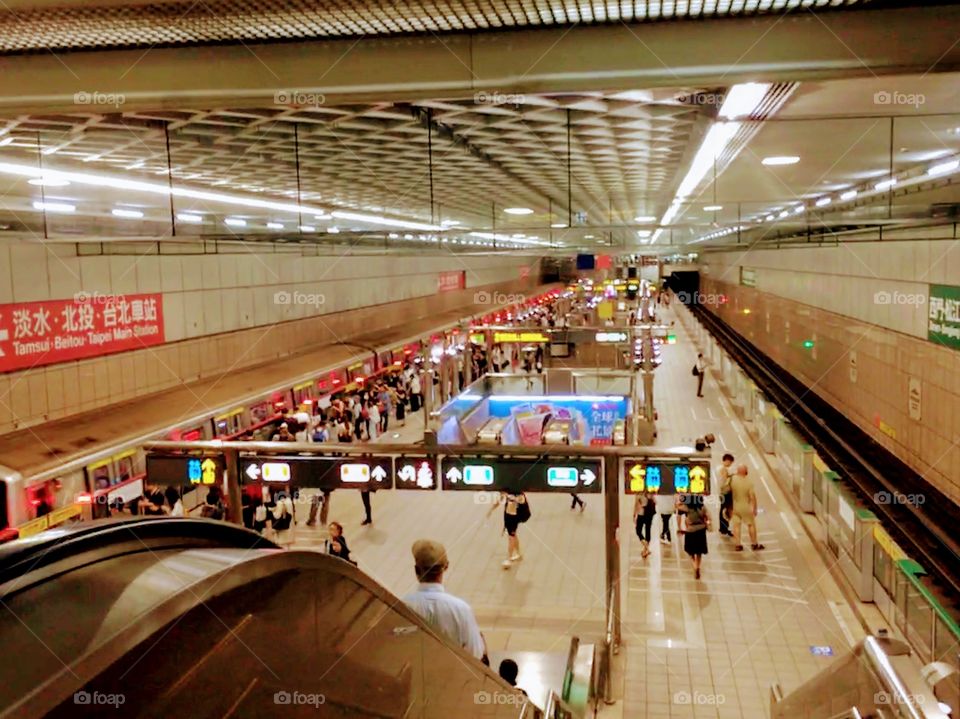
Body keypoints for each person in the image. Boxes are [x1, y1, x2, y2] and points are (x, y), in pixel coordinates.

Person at [403, 539, 486, 661]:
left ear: (416, 570)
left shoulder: (403, 605)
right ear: (446, 567)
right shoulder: (461, 609)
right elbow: (475, 654)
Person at [488, 489, 529, 569]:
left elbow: (521, 501)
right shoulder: (507, 491)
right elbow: (499, 500)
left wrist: (511, 498)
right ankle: (518, 554)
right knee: (513, 535)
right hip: (508, 516)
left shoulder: (519, 494)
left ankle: (509, 558)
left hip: (515, 517)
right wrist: (491, 509)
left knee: (511, 537)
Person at [730, 464, 765, 551]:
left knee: (736, 526)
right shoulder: (749, 482)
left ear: (737, 471)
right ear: (746, 472)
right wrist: (755, 508)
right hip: (745, 506)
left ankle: (738, 545)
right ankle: (754, 544)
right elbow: (752, 496)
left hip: (734, 506)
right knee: (751, 524)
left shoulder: (732, 479)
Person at [678, 494, 710, 579]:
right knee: (699, 552)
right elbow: (708, 517)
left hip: (691, 531)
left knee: (690, 552)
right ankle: (698, 566)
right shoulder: (702, 508)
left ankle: (695, 567)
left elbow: (677, 507)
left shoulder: (688, 508)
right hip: (701, 531)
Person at [633, 489, 657, 558]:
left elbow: (636, 505)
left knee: (638, 531)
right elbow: (655, 502)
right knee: (648, 531)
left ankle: (646, 548)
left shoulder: (639, 494)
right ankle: (645, 549)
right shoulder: (650, 493)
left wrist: (634, 514)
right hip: (649, 515)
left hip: (641, 514)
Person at [718, 453, 735, 537]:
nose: (731, 464)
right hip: (725, 493)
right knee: (726, 511)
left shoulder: (721, 468)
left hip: (722, 493)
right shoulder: (723, 469)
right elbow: (725, 481)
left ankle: (723, 528)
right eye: (730, 462)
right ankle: (724, 528)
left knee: (723, 510)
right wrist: (731, 478)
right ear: (727, 460)